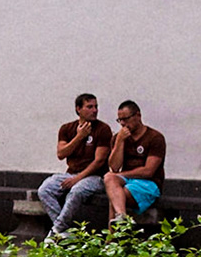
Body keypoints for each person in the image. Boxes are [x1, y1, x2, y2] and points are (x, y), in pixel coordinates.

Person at [36, 93, 112, 236]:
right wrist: (79, 137)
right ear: (78, 109)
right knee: (45, 189)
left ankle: (56, 230)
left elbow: (99, 161)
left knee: (76, 191)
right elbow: (61, 154)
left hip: (95, 177)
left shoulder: (103, 129)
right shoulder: (67, 129)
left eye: (96, 106)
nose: (94, 110)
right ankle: (65, 231)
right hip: (71, 173)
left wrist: (78, 179)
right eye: (89, 107)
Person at [105, 99, 167, 225]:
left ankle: (112, 239)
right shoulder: (119, 138)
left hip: (148, 183)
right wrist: (119, 142)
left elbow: (148, 171)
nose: (123, 124)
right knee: (109, 178)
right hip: (128, 180)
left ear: (138, 116)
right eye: (119, 120)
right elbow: (114, 168)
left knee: (117, 197)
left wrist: (121, 175)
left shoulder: (155, 138)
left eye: (126, 119)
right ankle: (121, 218)